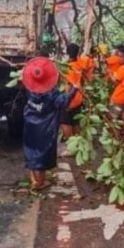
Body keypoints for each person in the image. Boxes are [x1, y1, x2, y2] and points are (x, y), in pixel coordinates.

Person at [21, 57, 77, 190]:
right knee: (43, 154)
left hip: (30, 124)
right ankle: (40, 183)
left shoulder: (30, 89)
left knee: (31, 150)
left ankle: (34, 179)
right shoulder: (51, 94)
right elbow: (64, 102)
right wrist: (74, 89)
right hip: (45, 127)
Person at [61, 44, 85, 140]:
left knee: (64, 122)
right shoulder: (78, 65)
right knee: (75, 121)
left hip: (72, 99)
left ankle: (70, 144)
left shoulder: (69, 68)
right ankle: (76, 142)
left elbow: (69, 86)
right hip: (79, 97)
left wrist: (67, 101)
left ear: (67, 53)